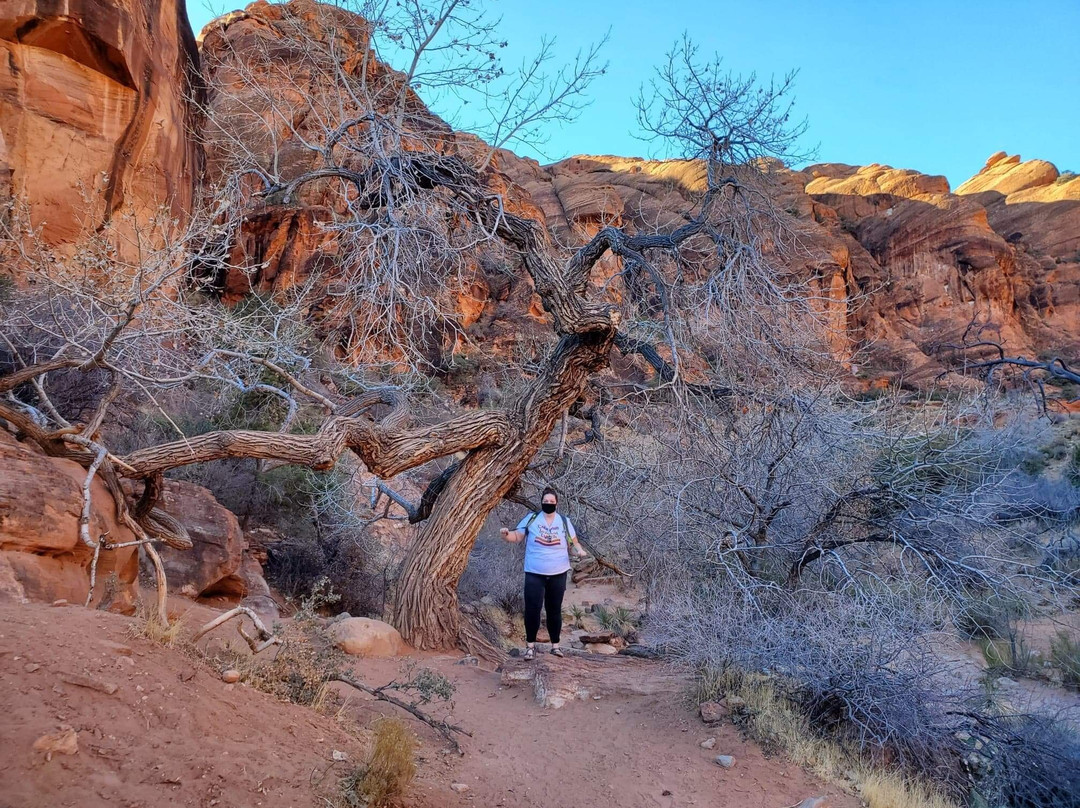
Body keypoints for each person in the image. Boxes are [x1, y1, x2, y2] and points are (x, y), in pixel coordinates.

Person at [499, 487, 588, 659]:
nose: (548, 504)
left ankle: (555, 646)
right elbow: (516, 536)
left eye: (551, 502)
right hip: (534, 572)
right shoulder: (532, 519)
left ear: (557, 503)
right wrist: (505, 535)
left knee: (554, 610)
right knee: (533, 609)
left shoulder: (563, 521)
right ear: (541, 502)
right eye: (545, 502)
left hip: (558, 572)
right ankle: (530, 647)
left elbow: (573, 542)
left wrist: (579, 551)